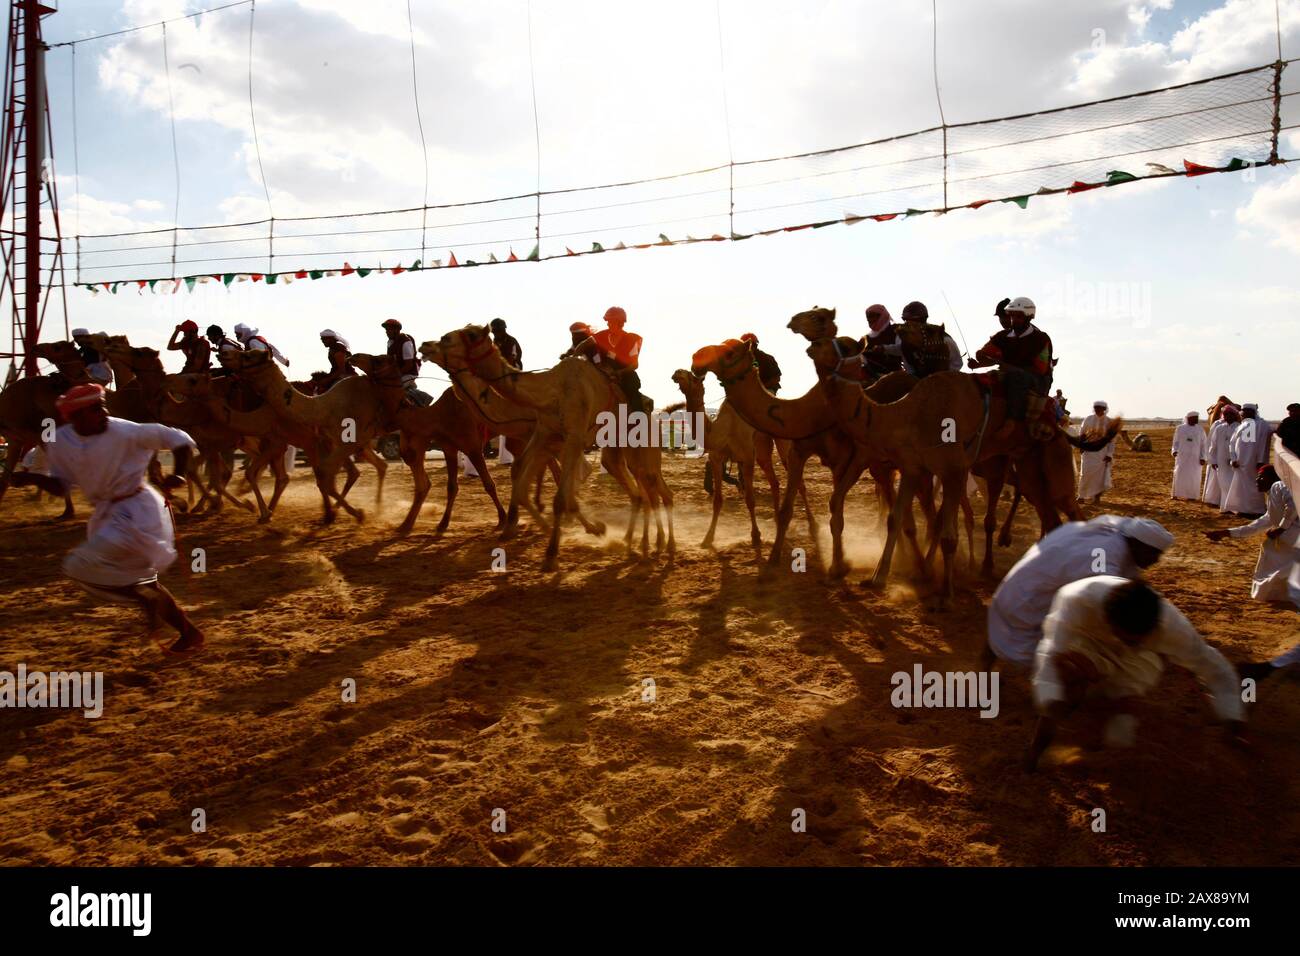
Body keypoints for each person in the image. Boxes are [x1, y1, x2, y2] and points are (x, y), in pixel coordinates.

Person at [9, 384, 204, 655]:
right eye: (95, 409)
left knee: (79, 565)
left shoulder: (127, 431)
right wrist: (30, 478)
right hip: (106, 514)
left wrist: (180, 474)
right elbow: (61, 485)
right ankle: (188, 631)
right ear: (74, 417)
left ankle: (146, 601)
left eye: (102, 406)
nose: (103, 412)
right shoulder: (62, 440)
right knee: (144, 582)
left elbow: (179, 439)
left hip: (139, 510)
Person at [1024, 577, 1245, 770]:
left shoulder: (1174, 629)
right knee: (1066, 681)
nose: (1129, 641)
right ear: (1108, 619)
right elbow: (1052, 651)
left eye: (1135, 637)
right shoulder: (1076, 599)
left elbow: (1216, 669)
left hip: (1144, 654)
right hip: (1091, 640)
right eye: (1126, 636)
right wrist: (1052, 698)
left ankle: (1110, 728)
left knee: (1121, 726)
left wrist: (1233, 718)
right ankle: (1034, 752)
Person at [985, 514, 1175, 667]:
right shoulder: (1106, 552)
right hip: (1030, 597)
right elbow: (1101, 593)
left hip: (1022, 587)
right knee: (1067, 651)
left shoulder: (1114, 536)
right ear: (1137, 544)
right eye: (1153, 554)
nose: (1155, 561)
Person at [1206, 465, 1299, 605]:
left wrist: (1280, 529)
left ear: (1272, 478)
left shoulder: (1279, 485)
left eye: (1261, 477)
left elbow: (1293, 506)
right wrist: (1226, 533)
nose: (1257, 480)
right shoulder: (1272, 497)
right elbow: (1255, 526)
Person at [968, 296, 1054, 438]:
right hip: (1010, 373)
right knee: (983, 379)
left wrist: (1006, 366)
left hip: (1038, 380)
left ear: (1028, 317)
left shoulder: (1041, 339)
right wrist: (978, 362)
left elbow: (1040, 369)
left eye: (1018, 317)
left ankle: (1012, 421)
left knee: (1016, 377)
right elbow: (987, 354)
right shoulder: (1002, 336)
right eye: (1012, 316)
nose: (1014, 320)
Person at [590, 306, 648, 412]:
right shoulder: (600, 336)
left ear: (620, 323)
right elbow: (587, 347)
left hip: (624, 374)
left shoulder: (630, 339)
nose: (608, 324)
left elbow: (635, 365)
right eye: (608, 321)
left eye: (611, 321)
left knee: (632, 389)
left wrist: (619, 372)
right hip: (603, 372)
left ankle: (639, 421)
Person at [1223, 403, 1272, 516]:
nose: (1244, 413)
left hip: (1253, 462)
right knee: (1240, 486)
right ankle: (1242, 509)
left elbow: (1262, 444)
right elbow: (1232, 443)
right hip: (1240, 463)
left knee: (1254, 486)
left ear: (1253, 412)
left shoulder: (1261, 425)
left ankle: (1256, 510)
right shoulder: (1242, 425)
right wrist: (1233, 458)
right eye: (1243, 411)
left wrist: (1260, 460)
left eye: (1247, 411)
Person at [894, 300, 962, 378]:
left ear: (922, 320)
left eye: (912, 321)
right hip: (915, 380)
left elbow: (957, 363)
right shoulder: (901, 338)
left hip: (943, 380)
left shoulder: (944, 339)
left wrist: (943, 378)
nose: (908, 324)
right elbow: (907, 364)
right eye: (905, 320)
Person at [381, 318, 432, 407]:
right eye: (386, 330)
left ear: (396, 330)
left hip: (409, 373)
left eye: (389, 329)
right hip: (399, 373)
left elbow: (409, 364)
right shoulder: (390, 342)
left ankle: (421, 399)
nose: (386, 332)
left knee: (394, 388)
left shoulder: (405, 341)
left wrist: (395, 375)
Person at [1076, 401, 1115, 503]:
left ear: (1104, 409)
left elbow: (1112, 441)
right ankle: (1081, 496)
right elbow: (1082, 434)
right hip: (1088, 451)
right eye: (1096, 408)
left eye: (1100, 408)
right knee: (1085, 473)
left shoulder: (1109, 422)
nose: (1097, 410)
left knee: (1100, 476)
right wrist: (1081, 445)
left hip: (1102, 452)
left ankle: (1097, 497)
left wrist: (1109, 454)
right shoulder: (1088, 419)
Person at [1203, 403, 1238, 508]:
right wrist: (1213, 461)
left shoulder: (1239, 428)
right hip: (1220, 461)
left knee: (1232, 484)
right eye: (1225, 414)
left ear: (1234, 415)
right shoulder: (1219, 428)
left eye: (1229, 414)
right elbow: (1213, 446)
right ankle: (1224, 506)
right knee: (1223, 483)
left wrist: (1235, 459)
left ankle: (1232, 505)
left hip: (1234, 462)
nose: (1227, 416)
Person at [1171, 410, 1207, 501]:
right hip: (1182, 456)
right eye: (1195, 418)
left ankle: (1191, 496)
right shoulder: (1180, 428)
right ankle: (1175, 494)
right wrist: (1174, 451)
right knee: (1179, 474)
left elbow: (1204, 445)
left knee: (1194, 477)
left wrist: (1203, 457)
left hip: (1195, 458)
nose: (1197, 420)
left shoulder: (1200, 429)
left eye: (1197, 418)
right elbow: (1175, 442)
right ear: (1189, 419)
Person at [861, 304, 904, 379]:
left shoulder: (896, 330)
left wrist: (884, 349)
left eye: (871, 316)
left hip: (895, 376)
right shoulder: (866, 338)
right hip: (871, 377)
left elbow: (902, 349)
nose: (869, 319)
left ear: (882, 316)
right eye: (867, 317)